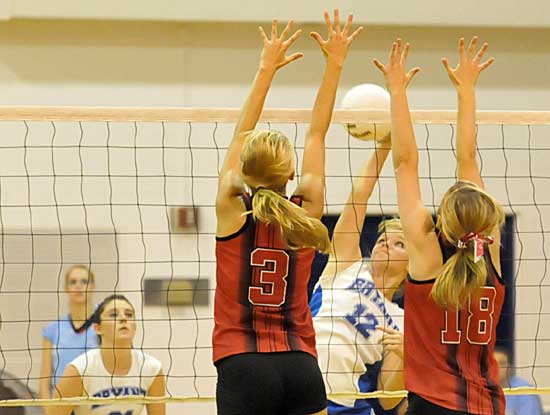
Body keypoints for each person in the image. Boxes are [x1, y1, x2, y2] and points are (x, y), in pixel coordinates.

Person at [213, 10, 362, 415]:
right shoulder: (308, 206)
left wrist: (266, 68)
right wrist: (335, 63)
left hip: (242, 364)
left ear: (245, 170)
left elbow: (241, 132)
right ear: (292, 173)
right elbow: (318, 130)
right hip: (301, 365)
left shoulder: (232, 208)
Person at [374, 36, 506, 415]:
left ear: (442, 223)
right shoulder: (488, 251)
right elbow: (468, 158)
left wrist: (397, 91)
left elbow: (405, 164)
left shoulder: (428, 258)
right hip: (487, 406)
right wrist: (467, 90)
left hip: (434, 404)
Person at [310, 138, 407, 415]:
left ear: (412, 266)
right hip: (303, 387)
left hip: (347, 404)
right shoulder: (347, 264)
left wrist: (406, 355)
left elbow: (388, 398)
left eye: (399, 244)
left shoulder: (402, 321)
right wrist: (386, 144)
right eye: (383, 239)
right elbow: (358, 196)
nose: (385, 244)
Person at [50, 294, 165, 415]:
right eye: (114, 315)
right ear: (98, 328)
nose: (123, 318)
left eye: (129, 314)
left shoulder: (151, 368)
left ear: (135, 327)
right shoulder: (79, 370)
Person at [40, 266, 99, 401]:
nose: (78, 286)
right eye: (73, 282)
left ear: (93, 287)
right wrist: (49, 410)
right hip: (62, 402)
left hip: (95, 401)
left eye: (84, 281)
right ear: (66, 288)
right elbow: (44, 380)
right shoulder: (53, 329)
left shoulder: (102, 326)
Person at [494, 347, 543, 415]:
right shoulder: (481, 390)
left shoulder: (524, 391)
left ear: (510, 368)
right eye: (492, 363)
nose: (496, 367)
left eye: (502, 363)